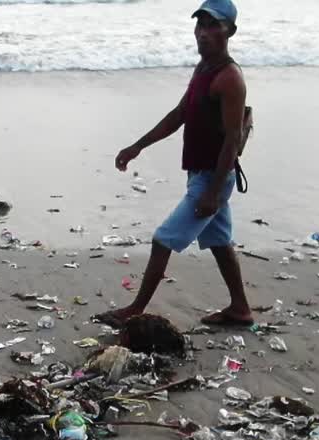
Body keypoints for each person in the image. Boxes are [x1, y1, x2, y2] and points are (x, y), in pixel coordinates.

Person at [97, 0, 252, 329]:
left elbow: (232, 141)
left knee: (162, 240)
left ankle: (135, 309)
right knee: (220, 243)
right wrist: (138, 146)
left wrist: (211, 193)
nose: (204, 33)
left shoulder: (229, 78)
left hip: (213, 178)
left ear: (231, 31)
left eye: (214, 26)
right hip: (201, 174)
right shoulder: (203, 68)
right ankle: (240, 309)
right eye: (200, 25)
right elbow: (180, 115)